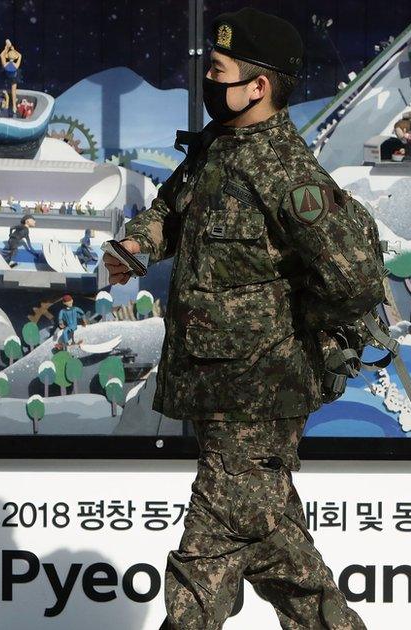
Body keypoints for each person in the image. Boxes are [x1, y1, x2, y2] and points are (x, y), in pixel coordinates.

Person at [105, 8, 377, 629]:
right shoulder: (216, 153)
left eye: (218, 71)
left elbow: (354, 280)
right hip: (216, 386)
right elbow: (175, 210)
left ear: (258, 87)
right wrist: (136, 247)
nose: (206, 82)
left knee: (208, 553)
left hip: (260, 392)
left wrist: (294, 330)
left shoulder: (288, 175)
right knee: (279, 549)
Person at [0, 39, 23, 115]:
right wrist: (14, 50)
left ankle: (13, 106)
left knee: (11, 90)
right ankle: (14, 106)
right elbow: (20, 55)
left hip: (7, 75)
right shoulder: (16, 65)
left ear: (7, 56)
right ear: (15, 57)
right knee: (13, 92)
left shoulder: (5, 64)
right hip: (14, 77)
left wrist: (6, 48)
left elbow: (1, 55)